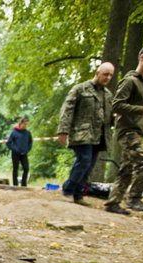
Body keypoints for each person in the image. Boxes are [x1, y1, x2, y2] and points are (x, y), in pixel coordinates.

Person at [104, 44, 143, 214]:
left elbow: (140, 110)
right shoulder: (130, 81)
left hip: (137, 129)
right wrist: (142, 109)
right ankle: (134, 199)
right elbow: (116, 105)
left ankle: (113, 203)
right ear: (142, 56)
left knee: (126, 169)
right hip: (127, 131)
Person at [58, 62, 115, 205]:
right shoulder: (80, 89)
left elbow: (109, 116)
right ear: (97, 73)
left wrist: (116, 119)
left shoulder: (108, 95)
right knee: (84, 161)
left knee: (89, 166)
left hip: (99, 136)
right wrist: (63, 130)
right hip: (81, 133)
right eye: (105, 74)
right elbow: (67, 110)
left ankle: (78, 195)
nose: (108, 77)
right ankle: (68, 189)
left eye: (111, 75)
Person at [6, 117, 32, 186]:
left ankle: (23, 184)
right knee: (15, 169)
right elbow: (8, 143)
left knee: (26, 168)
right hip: (15, 154)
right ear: (20, 124)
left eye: (26, 125)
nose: (25, 126)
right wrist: (14, 149)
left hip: (24, 153)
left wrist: (28, 149)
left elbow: (30, 142)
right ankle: (15, 184)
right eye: (24, 124)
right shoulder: (14, 132)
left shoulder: (28, 133)